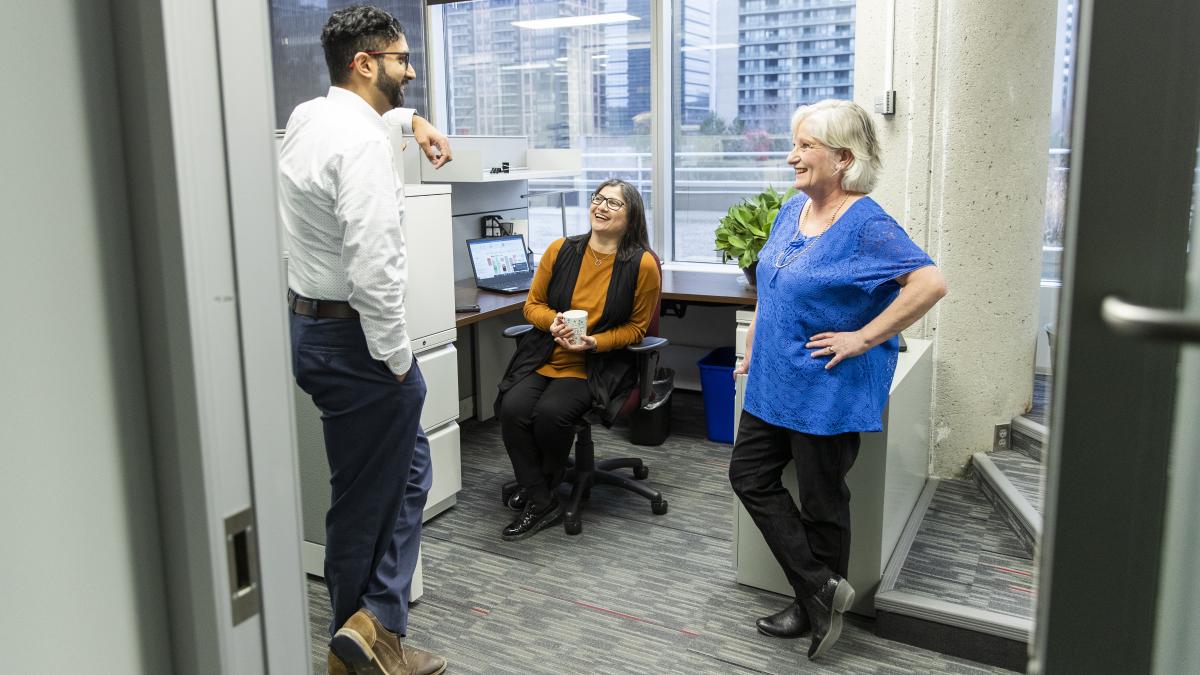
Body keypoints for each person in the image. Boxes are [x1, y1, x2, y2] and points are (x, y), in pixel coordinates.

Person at [729, 99, 947, 661]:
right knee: (749, 476)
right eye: (795, 144)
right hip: (774, 380)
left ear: (843, 158)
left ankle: (812, 604)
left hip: (825, 386)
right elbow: (771, 285)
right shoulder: (788, 212)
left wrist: (863, 337)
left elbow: (929, 284)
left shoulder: (867, 224)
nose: (791, 156)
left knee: (823, 501)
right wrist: (755, 341)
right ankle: (820, 587)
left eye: (804, 147)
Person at [279, 6, 453, 675]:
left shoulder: (309, 118)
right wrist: (400, 362)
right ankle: (364, 633)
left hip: (313, 327)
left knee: (400, 475)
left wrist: (411, 120)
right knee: (368, 498)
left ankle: (374, 630)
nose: (410, 70)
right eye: (402, 59)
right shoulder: (361, 149)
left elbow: (366, 119)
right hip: (360, 342)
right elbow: (376, 269)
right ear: (365, 63)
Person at [495, 179, 661, 541]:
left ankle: (539, 493)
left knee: (551, 415)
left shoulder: (642, 264)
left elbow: (636, 329)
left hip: (597, 364)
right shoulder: (560, 250)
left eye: (613, 204)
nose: (601, 207)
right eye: (598, 199)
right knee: (512, 408)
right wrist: (550, 322)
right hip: (546, 353)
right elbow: (532, 305)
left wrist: (595, 342)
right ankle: (541, 493)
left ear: (631, 215)